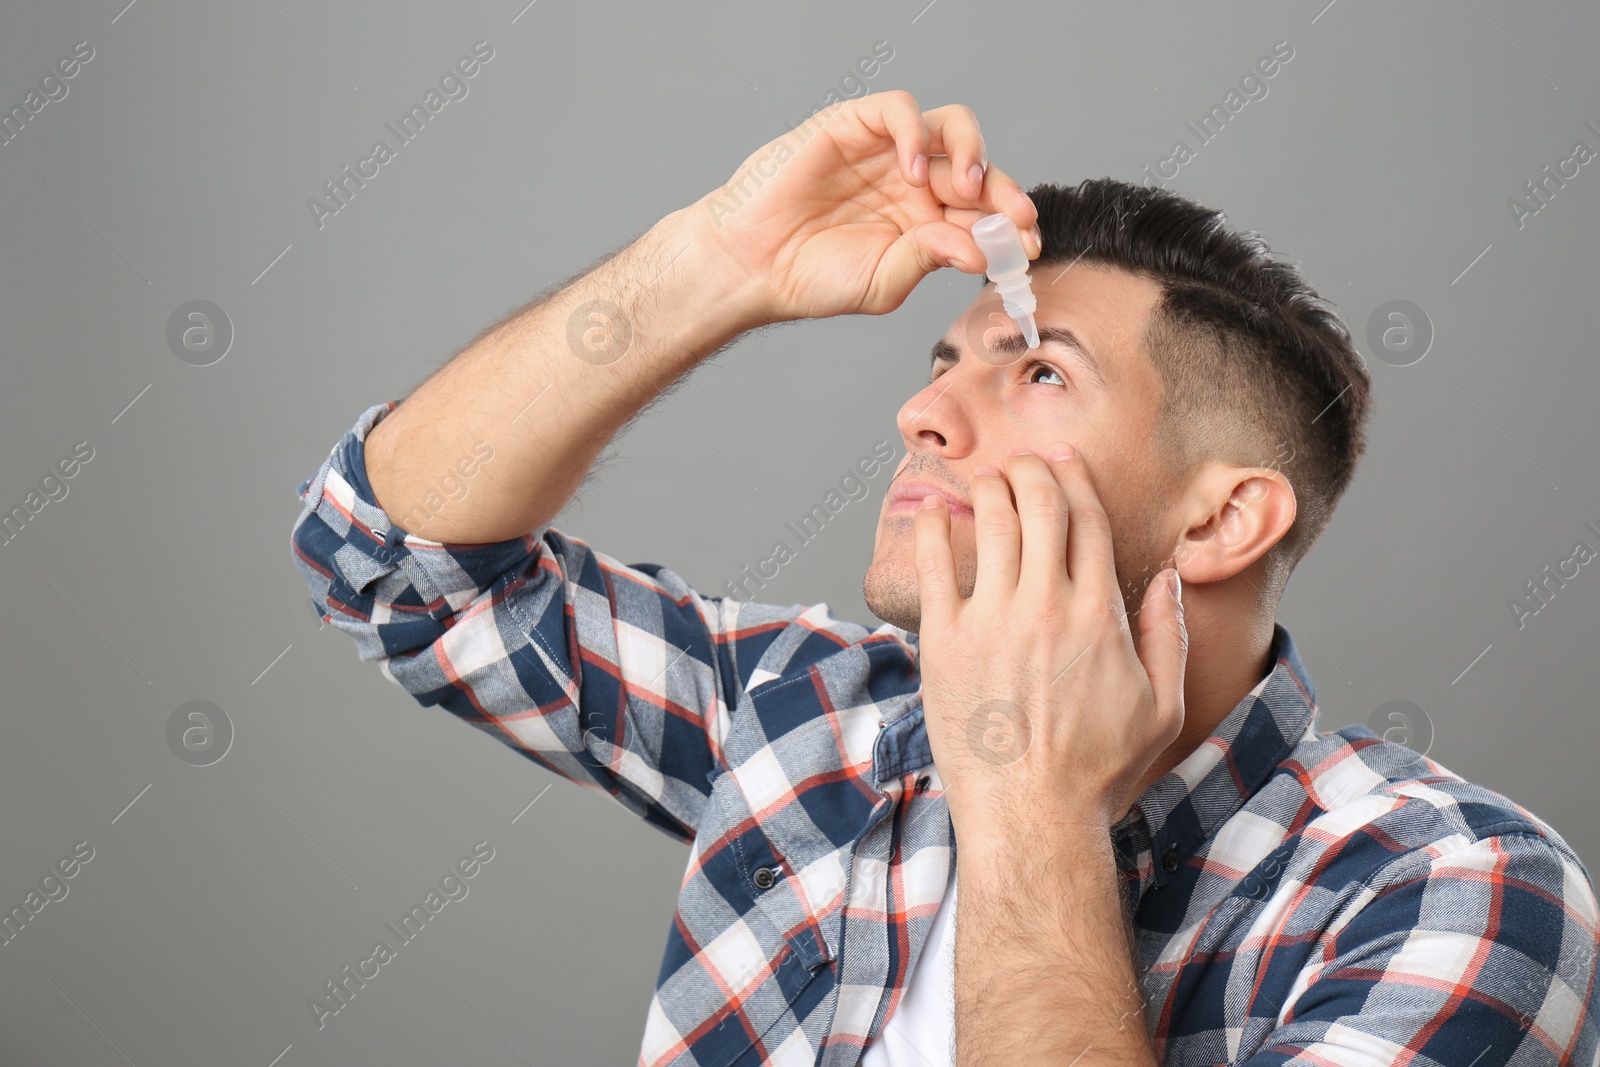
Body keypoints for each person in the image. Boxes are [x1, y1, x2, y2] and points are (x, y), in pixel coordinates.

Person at [288, 91, 1599, 1066]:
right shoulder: (815, 721)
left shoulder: (1454, 893)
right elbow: (392, 563)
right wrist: (714, 268)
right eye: (937, 367)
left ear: (1223, 521)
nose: (924, 420)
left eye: (1037, 373)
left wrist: (1028, 800)